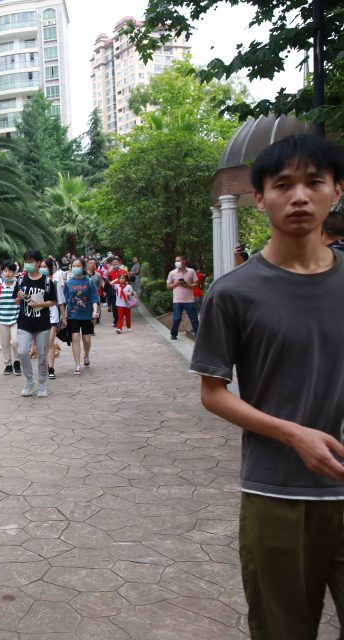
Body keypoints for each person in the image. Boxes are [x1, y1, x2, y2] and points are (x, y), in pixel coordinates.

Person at [189, 134, 344, 640]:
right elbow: (213, 392)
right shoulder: (233, 293)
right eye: (283, 185)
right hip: (276, 492)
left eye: (314, 182)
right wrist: (293, 434)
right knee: (282, 629)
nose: (299, 196)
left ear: (337, 190)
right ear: (259, 198)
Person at [16, 251, 57, 397]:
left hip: (42, 324)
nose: (27, 264)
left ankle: (42, 384)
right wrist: (19, 298)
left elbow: (53, 301)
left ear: (38, 262)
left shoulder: (47, 282)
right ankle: (29, 380)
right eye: (26, 261)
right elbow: (16, 302)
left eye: (31, 261)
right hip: (24, 323)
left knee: (42, 355)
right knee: (22, 352)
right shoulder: (20, 280)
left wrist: (39, 304)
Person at [63, 258, 99, 375]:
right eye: (73, 266)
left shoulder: (89, 282)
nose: (75, 268)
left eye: (78, 266)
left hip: (87, 315)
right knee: (75, 338)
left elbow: (94, 298)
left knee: (87, 340)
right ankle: (77, 365)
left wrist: (95, 311)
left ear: (83, 267)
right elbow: (64, 301)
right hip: (73, 315)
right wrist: (63, 316)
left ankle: (86, 355)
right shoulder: (69, 283)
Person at [0, 262, 21, 375]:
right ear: (2, 272)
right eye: (5, 271)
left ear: (14, 272)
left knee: (15, 342)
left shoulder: (19, 287)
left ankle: (17, 362)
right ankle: (8, 365)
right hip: (2, 320)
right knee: (5, 344)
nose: (7, 273)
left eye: (10, 271)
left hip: (16, 319)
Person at [166, 255, 199, 340]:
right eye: (176, 261)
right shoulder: (172, 273)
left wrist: (188, 285)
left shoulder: (191, 271)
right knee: (177, 318)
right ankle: (173, 334)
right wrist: (177, 284)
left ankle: (198, 335)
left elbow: (196, 283)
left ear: (184, 261)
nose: (176, 263)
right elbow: (168, 286)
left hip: (189, 300)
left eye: (178, 261)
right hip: (177, 300)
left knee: (194, 319)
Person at [43, 258, 65, 380]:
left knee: (50, 341)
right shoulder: (35, 283)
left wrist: (64, 318)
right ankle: (44, 365)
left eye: (45, 267)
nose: (42, 269)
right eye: (40, 266)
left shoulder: (55, 283)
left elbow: (61, 302)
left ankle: (51, 368)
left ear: (50, 268)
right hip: (39, 316)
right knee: (43, 343)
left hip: (53, 316)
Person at [105, 256, 128, 327]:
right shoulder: (110, 273)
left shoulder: (124, 272)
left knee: (122, 307)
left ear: (119, 263)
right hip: (113, 292)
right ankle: (116, 321)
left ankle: (121, 320)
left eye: (116, 262)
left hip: (123, 291)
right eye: (113, 263)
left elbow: (127, 281)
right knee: (114, 307)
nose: (114, 263)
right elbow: (108, 281)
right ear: (111, 264)